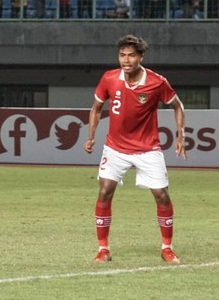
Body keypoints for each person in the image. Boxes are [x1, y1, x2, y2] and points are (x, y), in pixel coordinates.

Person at [84, 34, 187, 264]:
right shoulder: (109, 78)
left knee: (161, 195)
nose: (126, 60)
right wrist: (91, 136)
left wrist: (181, 134)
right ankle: (103, 249)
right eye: (122, 55)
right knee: (104, 191)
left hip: (148, 148)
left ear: (141, 57)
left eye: (131, 55)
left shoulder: (157, 82)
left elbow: (178, 106)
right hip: (115, 148)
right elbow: (96, 108)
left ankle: (167, 248)